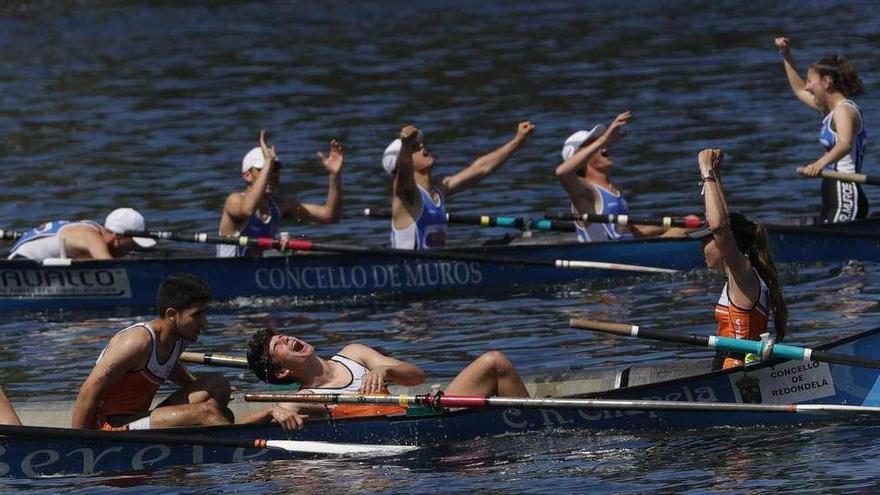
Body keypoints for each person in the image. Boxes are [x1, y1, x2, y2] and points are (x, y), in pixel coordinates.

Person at [241, 328, 529, 429]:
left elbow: (416, 375)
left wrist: (384, 371)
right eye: (279, 345)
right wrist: (272, 411)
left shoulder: (353, 354)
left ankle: (537, 419)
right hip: (407, 435)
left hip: (428, 413)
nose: (288, 338)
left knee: (494, 361)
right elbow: (233, 427)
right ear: (281, 372)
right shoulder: (303, 398)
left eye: (283, 336)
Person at [71, 273, 233, 430]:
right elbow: (89, 390)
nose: (204, 323)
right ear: (171, 314)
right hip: (111, 425)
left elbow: (168, 366)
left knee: (219, 385)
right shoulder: (137, 342)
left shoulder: (179, 338)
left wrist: (197, 388)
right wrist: (79, 443)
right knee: (207, 413)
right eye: (196, 315)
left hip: (139, 416)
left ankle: (204, 433)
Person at [690, 149, 788, 370]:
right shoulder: (739, 274)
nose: (701, 248)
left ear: (724, 243)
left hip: (737, 376)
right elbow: (725, 222)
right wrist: (716, 176)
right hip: (728, 369)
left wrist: (705, 173)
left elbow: (720, 227)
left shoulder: (743, 274)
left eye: (706, 240)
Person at [382, 121, 534, 249]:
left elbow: (481, 169)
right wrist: (405, 144)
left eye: (419, 143)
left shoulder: (439, 189)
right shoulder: (404, 194)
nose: (422, 146)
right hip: (408, 271)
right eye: (414, 147)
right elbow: (403, 170)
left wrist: (518, 140)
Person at [556, 111, 692, 242]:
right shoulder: (585, 191)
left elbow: (634, 230)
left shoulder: (614, 188)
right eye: (594, 144)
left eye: (601, 142)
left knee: (688, 225)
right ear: (581, 158)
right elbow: (562, 172)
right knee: (683, 232)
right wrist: (603, 139)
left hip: (628, 252)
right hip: (606, 257)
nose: (603, 147)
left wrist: (680, 222)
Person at [775, 37, 868, 223]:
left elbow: (845, 144)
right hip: (832, 188)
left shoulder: (844, 110)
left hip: (846, 189)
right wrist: (786, 55)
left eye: (810, 81)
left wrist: (819, 164)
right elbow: (800, 91)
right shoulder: (830, 110)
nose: (808, 86)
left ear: (826, 81)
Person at [217, 130, 344, 257]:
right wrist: (268, 162)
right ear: (247, 176)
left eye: (275, 169)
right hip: (227, 270)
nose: (272, 175)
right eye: (265, 169)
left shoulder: (281, 205)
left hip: (258, 270)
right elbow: (248, 210)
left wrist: (334, 176)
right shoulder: (234, 201)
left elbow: (329, 216)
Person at [7, 208, 157, 261]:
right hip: (17, 265)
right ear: (118, 237)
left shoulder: (93, 230)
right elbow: (110, 266)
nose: (132, 249)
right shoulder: (89, 235)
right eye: (132, 244)